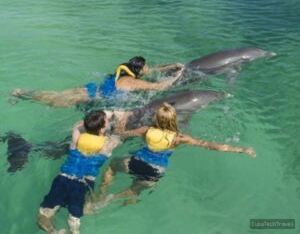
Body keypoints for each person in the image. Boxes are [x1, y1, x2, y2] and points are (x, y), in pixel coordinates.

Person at [86, 102, 256, 211]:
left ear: (157, 119)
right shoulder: (179, 138)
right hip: (154, 172)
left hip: (136, 162)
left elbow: (122, 133)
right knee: (133, 192)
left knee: (113, 166)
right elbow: (210, 146)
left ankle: (101, 195)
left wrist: (122, 119)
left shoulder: (146, 130)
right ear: (173, 120)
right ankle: (111, 201)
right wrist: (241, 149)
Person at [37, 110, 120, 234]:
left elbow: (78, 126)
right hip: (81, 185)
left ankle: (52, 232)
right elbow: (118, 135)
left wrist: (97, 119)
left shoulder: (76, 140)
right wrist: (113, 116)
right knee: (74, 220)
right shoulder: (108, 144)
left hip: (62, 179)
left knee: (44, 215)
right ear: (102, 129)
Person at [11, 56, 183, 108]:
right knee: (52, 102)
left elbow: (153, 70)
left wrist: (172, 66)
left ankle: (21, 93)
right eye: (146, 66)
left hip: (89, 89)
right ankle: (20, 95)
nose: (149, 68)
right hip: (87, 96)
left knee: (53, 95)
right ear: (139, 70)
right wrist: (178, 75)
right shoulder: (133, 82)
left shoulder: (123, 72)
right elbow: (161, 86)